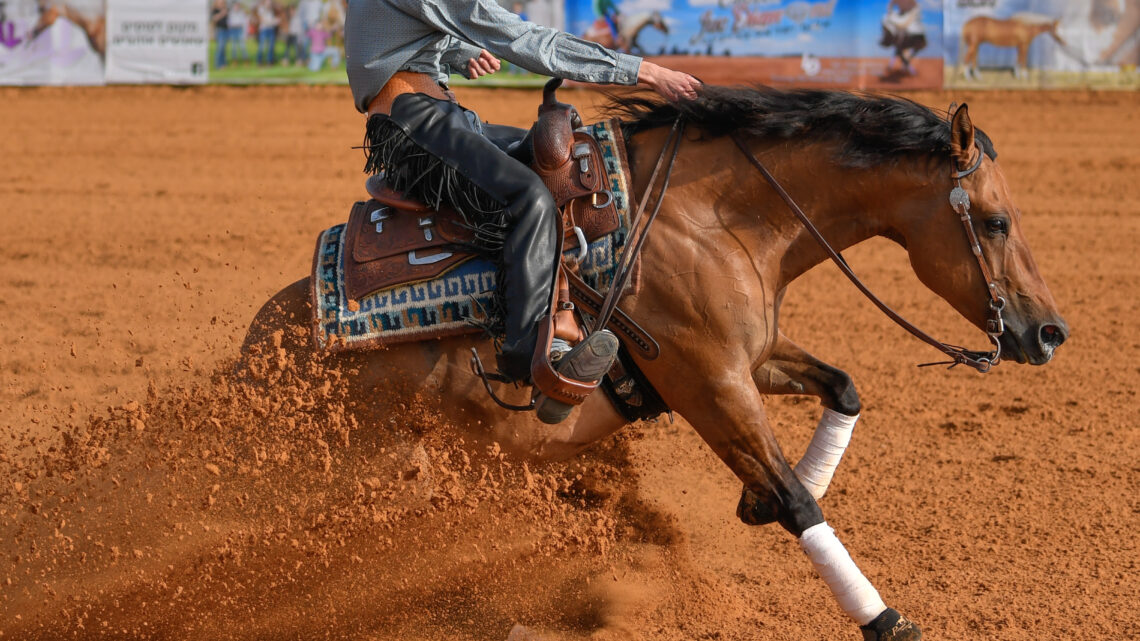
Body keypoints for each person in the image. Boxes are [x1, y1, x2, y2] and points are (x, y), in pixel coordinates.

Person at [345, 0, 700, 422]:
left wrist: (459, 53)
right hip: (413, 121)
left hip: (435, 112)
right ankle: (532, 354)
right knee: (528, 198)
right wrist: (643, 71)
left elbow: (389, 38)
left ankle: (583, 314)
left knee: (563, 163)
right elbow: (522, 39)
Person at [256, 0, 279, 65]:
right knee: (262, 46)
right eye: (268, 2)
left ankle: (269, 61)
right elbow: (262, 20)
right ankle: (259, 61)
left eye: (270, 2)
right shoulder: (261, 9)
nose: (269, 4)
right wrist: (272, 22)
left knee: (271, 46)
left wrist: (275, 21)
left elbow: (274, 20)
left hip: (271, 30)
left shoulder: (272, 10)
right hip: (264, 30)